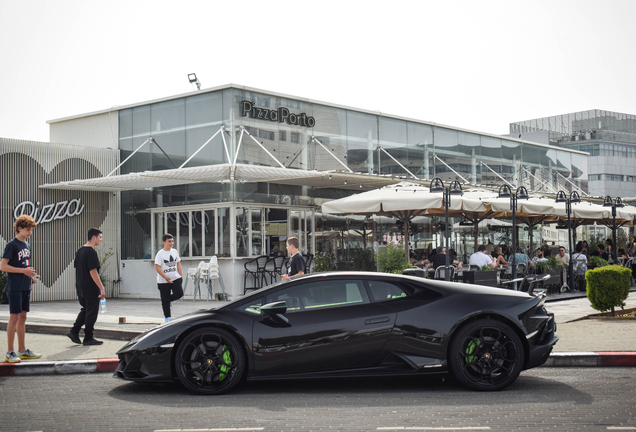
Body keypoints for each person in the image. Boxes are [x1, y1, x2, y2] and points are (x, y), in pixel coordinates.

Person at [1, 215, 41, 363]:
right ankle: (10, 352)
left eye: (31, 230)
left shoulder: (27, 245)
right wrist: (23, 272)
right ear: (20, 228)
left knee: (23, 317)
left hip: (25, 285)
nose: (30, 232)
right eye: (28, 229)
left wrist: (31, 275)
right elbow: (3, 266)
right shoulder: (12, 245)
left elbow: (24, 265)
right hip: (15, 287)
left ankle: (22, 350)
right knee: (14, 317)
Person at [67, 228, 106, 346]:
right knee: (92, 312)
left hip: (80, 285)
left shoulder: (79, 251)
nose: (101, 239)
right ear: (93, 237)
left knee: (86, 309)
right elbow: (93, 271)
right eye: (100, 237)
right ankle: (88, 337)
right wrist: (101, 287)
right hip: (90, 286)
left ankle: (74, 331)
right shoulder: (91, 252)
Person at [154, 233, 184, 323]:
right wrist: (165, 277)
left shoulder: (174, 252)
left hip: (175, 277)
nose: (171, 243)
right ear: (164, 242)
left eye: (172, 241)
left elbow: (178, 263)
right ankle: (167, 318)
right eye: (169, 241)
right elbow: (157, 267)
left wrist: (181, 275)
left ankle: (169, 300)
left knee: (179, 293)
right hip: (163, 280)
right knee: (165, 299)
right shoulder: (160, 254)